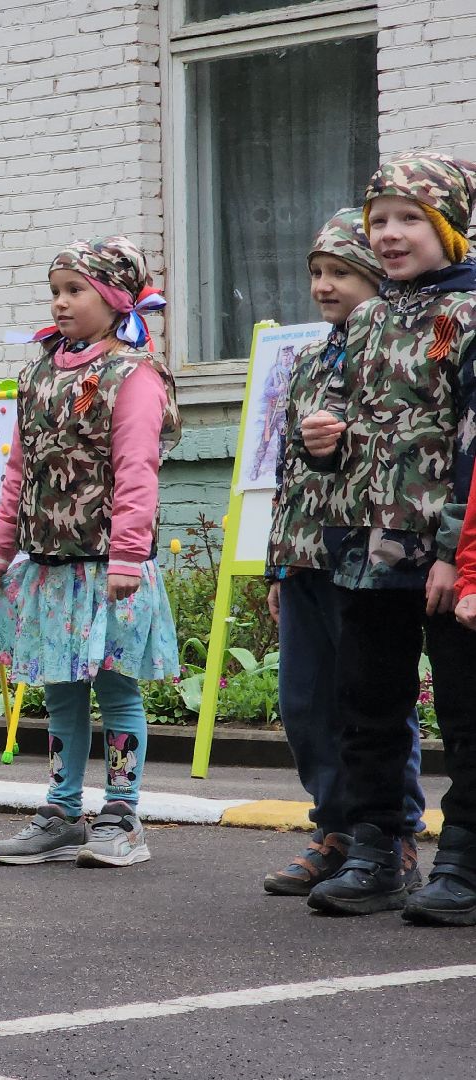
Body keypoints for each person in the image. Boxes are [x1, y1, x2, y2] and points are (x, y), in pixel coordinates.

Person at [302, 153, 476, 924]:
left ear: (448, 227)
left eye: (410, 219)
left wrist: (453, 554)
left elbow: (473, 441)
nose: (391, 235)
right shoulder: (369, 316)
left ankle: (465, 858)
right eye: (380, 220)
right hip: (362, 549)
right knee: (367, 702)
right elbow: (348, 418)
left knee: (467, 711)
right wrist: (322, 437)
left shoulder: (468, 313)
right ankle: (377, 848)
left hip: (443, 553)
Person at [0, 236, 180, 870]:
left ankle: (121, 815)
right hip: (48, 567)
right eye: (55, 292)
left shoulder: (134, 374)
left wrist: (126, 557)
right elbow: (19, 470)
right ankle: (62, 810)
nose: (61, 304)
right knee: (59, 690)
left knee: (117, 691)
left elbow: (136, 470)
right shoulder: (38, 371)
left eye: (75, 291)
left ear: (115, 297)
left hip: (110, 570)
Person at [262, 209, 428, 895]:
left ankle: (391, 835)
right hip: (307, 553)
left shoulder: (396, 350)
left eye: (341, 273)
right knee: (304, 702)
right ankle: (334, 829)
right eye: (317, 274)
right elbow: (289, 469)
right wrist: (278, 562)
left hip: (365, 551)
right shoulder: (307, 360)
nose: (325, 286)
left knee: (370, 699)